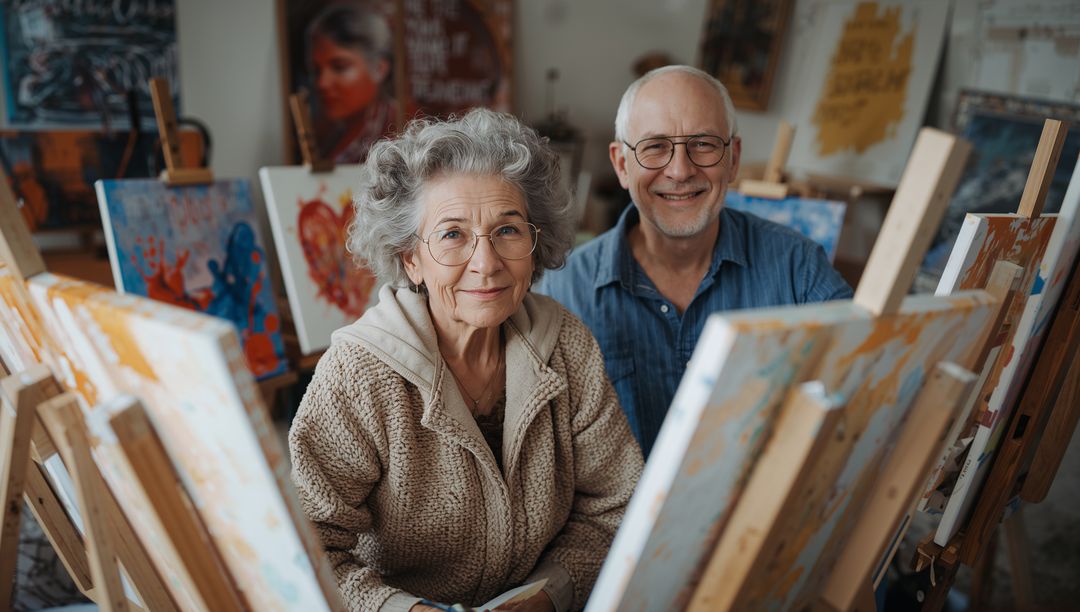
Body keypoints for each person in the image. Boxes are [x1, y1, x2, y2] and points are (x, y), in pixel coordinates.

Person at [289, 108, 643, 612]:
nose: (487, 262)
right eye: (452, 234)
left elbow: (615, 508)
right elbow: (309, 551)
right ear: (411, 258)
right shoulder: (357, 375)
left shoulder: (568, 346)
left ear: (535, 242)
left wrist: (546, 598)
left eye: (508, 230)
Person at [537, 65, 853, 457]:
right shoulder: (564, 291)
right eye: (654, 147)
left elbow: (861, 391)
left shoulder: (797, 268)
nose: (681, 170)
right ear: (621, 165)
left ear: (733, 158)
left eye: (703, 144)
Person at [306, 2, 398, 163]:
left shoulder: (397, 127)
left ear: (379, 69)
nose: (322, 83)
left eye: (339, 67)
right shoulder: (325, 132)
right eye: (316, 70)